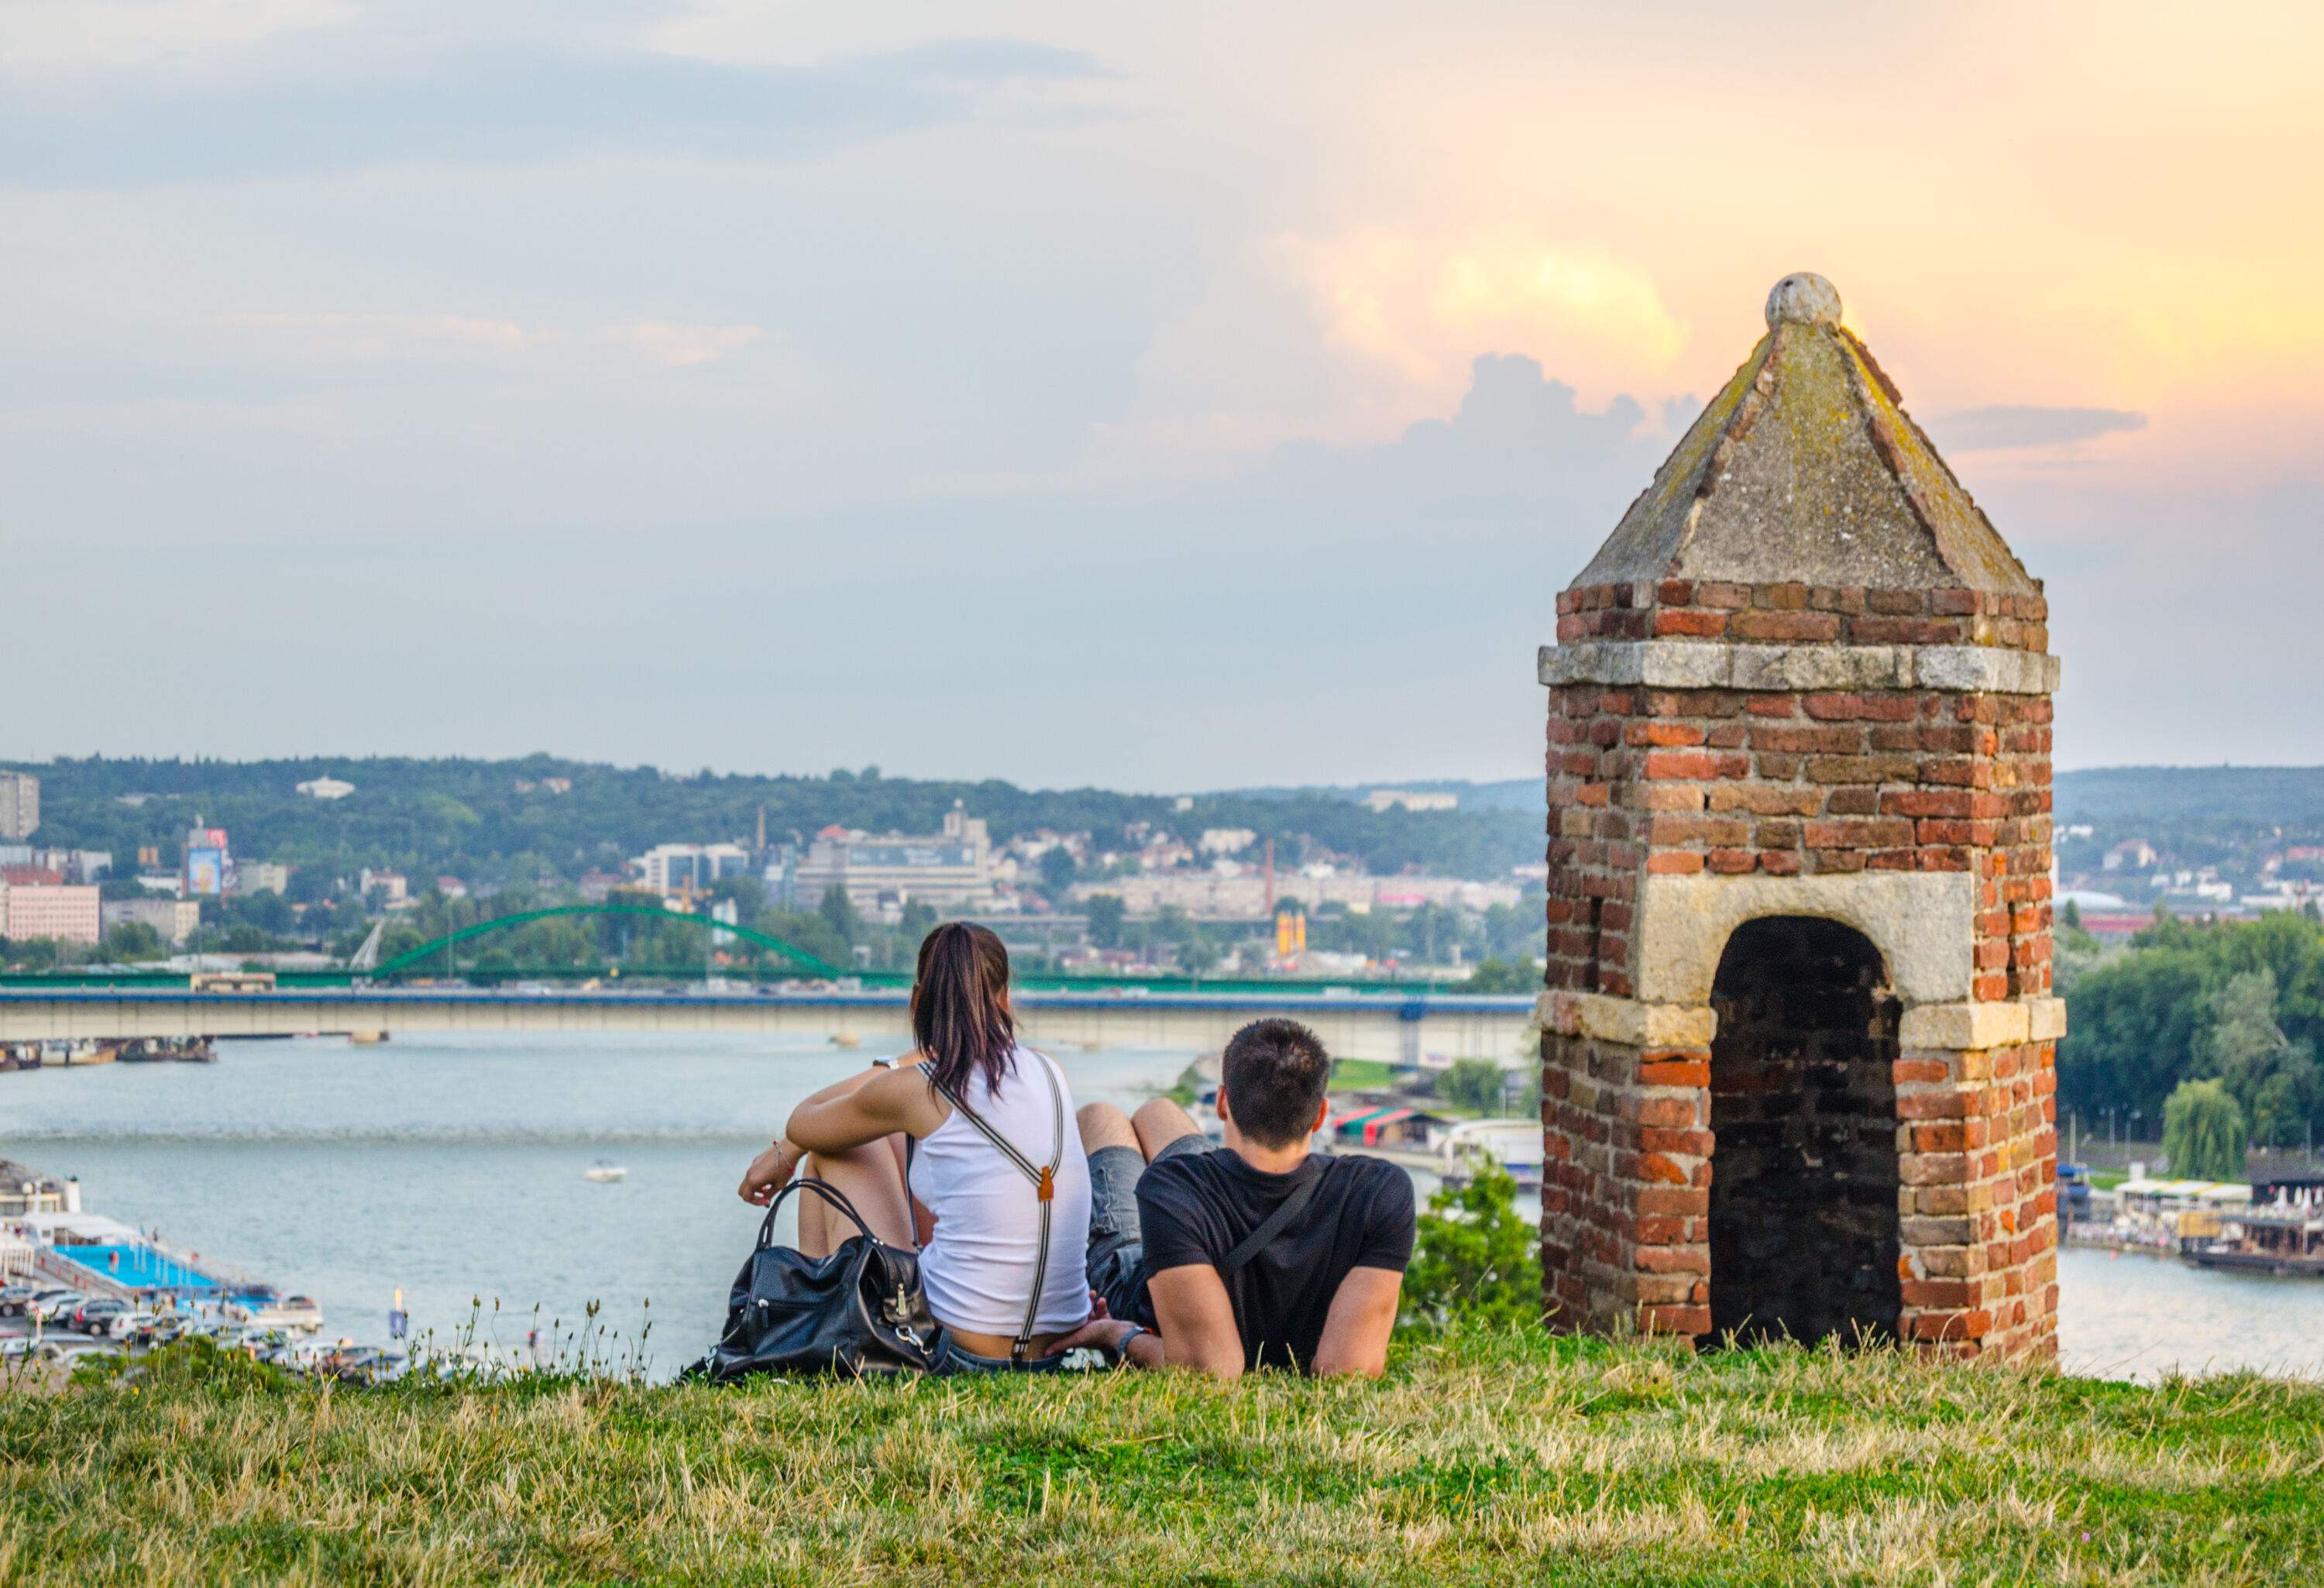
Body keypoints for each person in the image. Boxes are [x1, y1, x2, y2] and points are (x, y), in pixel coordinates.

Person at [735, 922, 1093, 1373]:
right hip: (1053, 1351)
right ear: (1004, 1000)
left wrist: (909, 1060)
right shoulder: (1049, 1068)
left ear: (916, 1001)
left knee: (834, 1151)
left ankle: (820, 1338)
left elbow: (806, 1120)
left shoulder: (918, 1088)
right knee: (904, 1145)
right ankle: (825, 1335)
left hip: (960, 1351)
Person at [1063, 1017, 1413, 1377]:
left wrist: (1115, 1333)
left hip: (1143, 1273)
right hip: (1193, 1211)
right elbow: (1347, 1370)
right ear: (1319, 1114)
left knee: (1099, 1115)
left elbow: (1210, 1368)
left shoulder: (1171, 1185)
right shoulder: (1379, 1190)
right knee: (1159, 1111)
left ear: (1222, 1103)